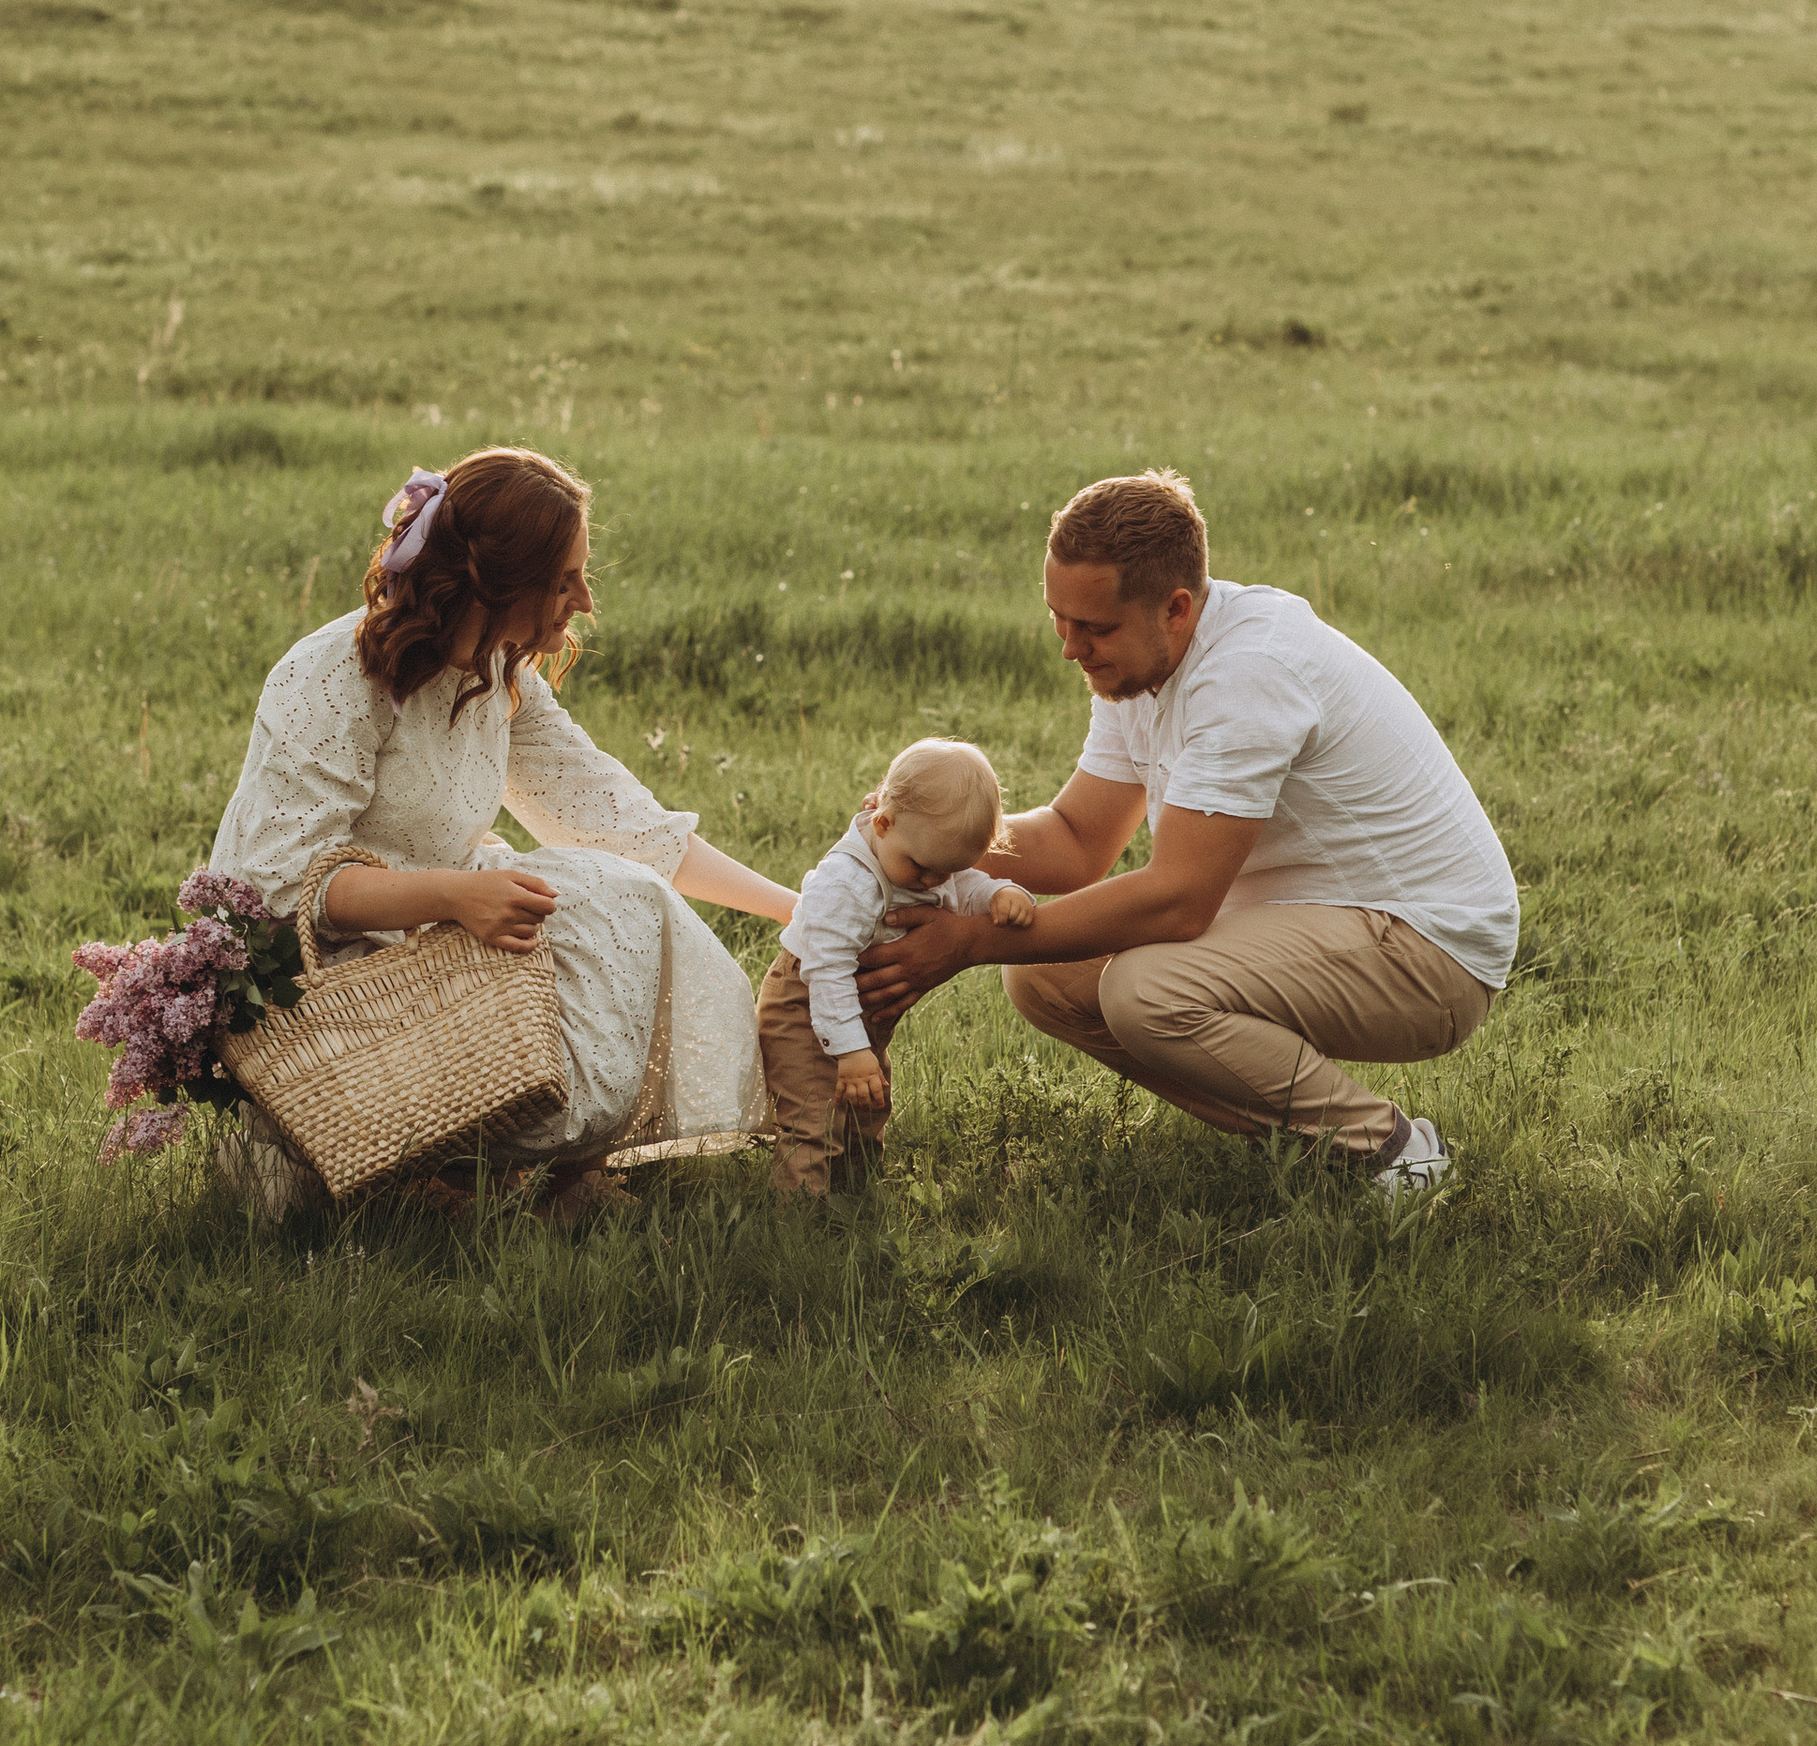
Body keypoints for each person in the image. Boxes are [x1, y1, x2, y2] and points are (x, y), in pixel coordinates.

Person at [856, 471, 1515, 1189]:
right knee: (1044, 977)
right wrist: (922, 842)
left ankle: (1393, 1154)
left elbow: (1179, 901)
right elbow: (1079, 839)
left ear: (1174, 608)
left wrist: (966, 941)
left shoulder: (1245, 673)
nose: (1071, 649)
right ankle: (1306, 1152)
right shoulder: (1137, 663)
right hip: (1324, 921)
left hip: (1429, 950)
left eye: (1094, 628)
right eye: (1059, 619)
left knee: (1147, 992)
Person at [207, 447, 795, 1203]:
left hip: (436, 930)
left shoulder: (495, 672)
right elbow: (277, 889)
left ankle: (549, 1172)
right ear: (494, 583)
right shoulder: (334, 675)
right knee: (539, 898)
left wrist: (796, 910)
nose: (585, 601)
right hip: (320, 975)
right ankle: (441, 1176)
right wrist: (454, 896)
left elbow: (618, 820)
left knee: (622, 896)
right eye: (563, 580)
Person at [757, 739, 1036, 1199]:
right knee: (813, 1116)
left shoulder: (923, 854)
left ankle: (858, 1194)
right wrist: (849, 1051)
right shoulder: (846, 881)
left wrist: (1000, 893)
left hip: (861, 1011)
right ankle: (798, 1217)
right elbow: (826, 970)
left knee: (867, 1106)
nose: (934, 883)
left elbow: (966, 885)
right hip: (805, 1006)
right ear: (882, 823)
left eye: (946, 872)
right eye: (924, 870)